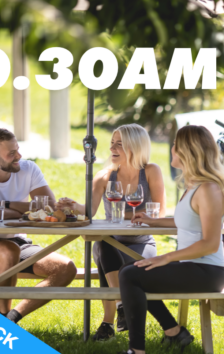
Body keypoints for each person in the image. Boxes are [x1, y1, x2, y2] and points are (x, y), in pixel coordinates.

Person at [117, 125, 224, 354]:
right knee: (132, 270)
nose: (171, 148)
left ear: (188, 151)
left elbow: (210, 243)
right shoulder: (194, 186)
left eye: (175, 144)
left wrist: (165, 258)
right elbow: (186, 222)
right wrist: (152, 222)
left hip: (207, 272)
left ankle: (138, 350)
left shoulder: (209, 189)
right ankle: (174, 333)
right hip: (192, 267)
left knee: (132, 274)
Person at [57, 124, 166, 341]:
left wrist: (122, 216)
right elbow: (89, 211)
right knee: (103, 245)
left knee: (112, 261)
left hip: (141, 243)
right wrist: (72, 205)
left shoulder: (151, 171)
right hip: (111, 243)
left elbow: (159, 211)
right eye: (111, 144)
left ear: (135, 147)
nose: (112, 149)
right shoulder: (105, 176)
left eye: (119, 144)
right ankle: (121, 307)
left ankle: (107, 323)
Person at [0, 128, 77, 323]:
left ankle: (10, 318)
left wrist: (2, 205)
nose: (19, 156)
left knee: (66, 268)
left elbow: (48, 208)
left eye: (18, 150)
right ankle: (2, 314)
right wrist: (28, 210)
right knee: (9, 250)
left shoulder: (28, 169)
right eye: (11, 153)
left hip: (19, 241)